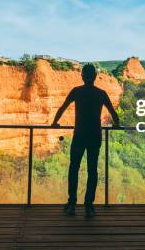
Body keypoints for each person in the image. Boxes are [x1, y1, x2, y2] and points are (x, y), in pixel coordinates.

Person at [51, 63, 120, 218]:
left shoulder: (77, 92)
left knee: (74, 168)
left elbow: (62, 108)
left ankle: (72, 204)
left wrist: (55, 123)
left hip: (79, 136)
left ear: (82, 76)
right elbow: (114, 114)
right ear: (95, 77)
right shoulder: (101, 94)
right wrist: (117, 125)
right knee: (92, 171)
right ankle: (89, 206)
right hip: (95, 136)